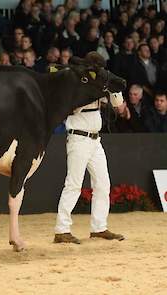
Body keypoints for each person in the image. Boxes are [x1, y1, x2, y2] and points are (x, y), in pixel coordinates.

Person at [54, 53, 125, 244]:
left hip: (95, 140)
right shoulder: (77, 82)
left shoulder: (99, 83)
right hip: (78, 137)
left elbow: (118, 104)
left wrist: (110, 86)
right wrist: (95, 90)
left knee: (103, 183)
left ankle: (99, 227)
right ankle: (61, 229)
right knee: (74, 184)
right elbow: (72, 106)